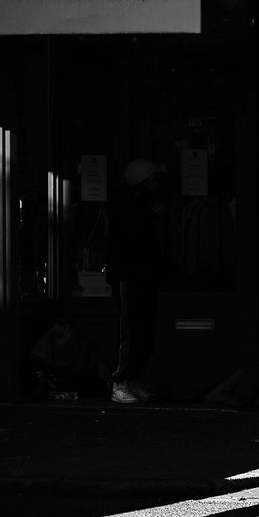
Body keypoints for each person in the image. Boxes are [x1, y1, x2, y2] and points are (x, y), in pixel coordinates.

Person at [104, 159, 164, 404]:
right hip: (130, 275)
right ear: (143, 181)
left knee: (141, 329)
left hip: (141, 274)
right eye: (153, 179)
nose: (156, 183)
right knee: (130, 330)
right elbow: (133, 241)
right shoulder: (127, 205)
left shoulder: (138, 204)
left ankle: (131, 379)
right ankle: (120, 381)